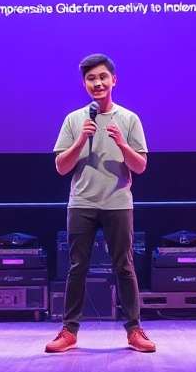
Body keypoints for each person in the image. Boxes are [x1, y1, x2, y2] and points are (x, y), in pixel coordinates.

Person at [45, 53, 154, 353]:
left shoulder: (129, 119)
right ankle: (69, 331)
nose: (98, 83)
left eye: (103, 77)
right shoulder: (74, 120)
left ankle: (134, 330)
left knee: (124, 266)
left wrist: (122, 144)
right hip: (81, 202)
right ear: (85, 84)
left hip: (118, 202)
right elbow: (61, 167)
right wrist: (81, 140)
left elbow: (141, 166)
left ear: (114, 80)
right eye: (91, 78)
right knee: (77, 267)